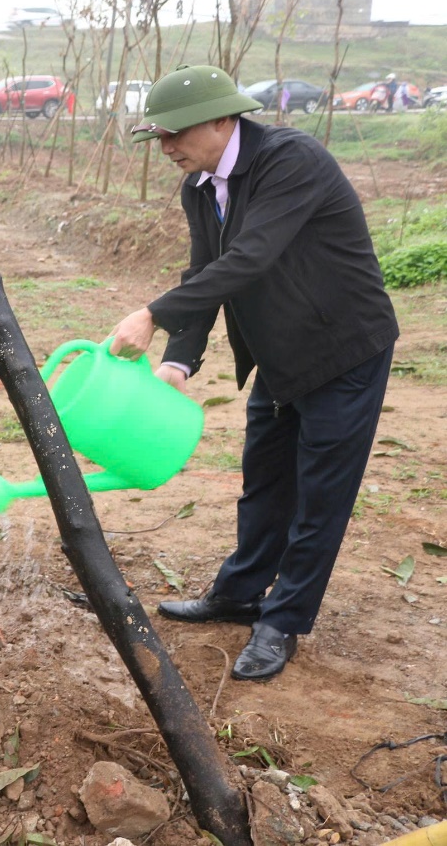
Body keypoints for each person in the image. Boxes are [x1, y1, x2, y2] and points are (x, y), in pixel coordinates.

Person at [111, 64, 397, 682]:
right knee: (264, 478)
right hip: (281, 354)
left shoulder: (291, 161)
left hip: (344, 349)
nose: (165, 149)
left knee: (320, 493)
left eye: (174, 135)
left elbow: (251, 257)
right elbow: (204, 274)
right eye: (157, 138)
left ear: (223, 118)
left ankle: (283, 620)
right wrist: (179, 359)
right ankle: (239, 593)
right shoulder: (199, 188)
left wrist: (153, 314)